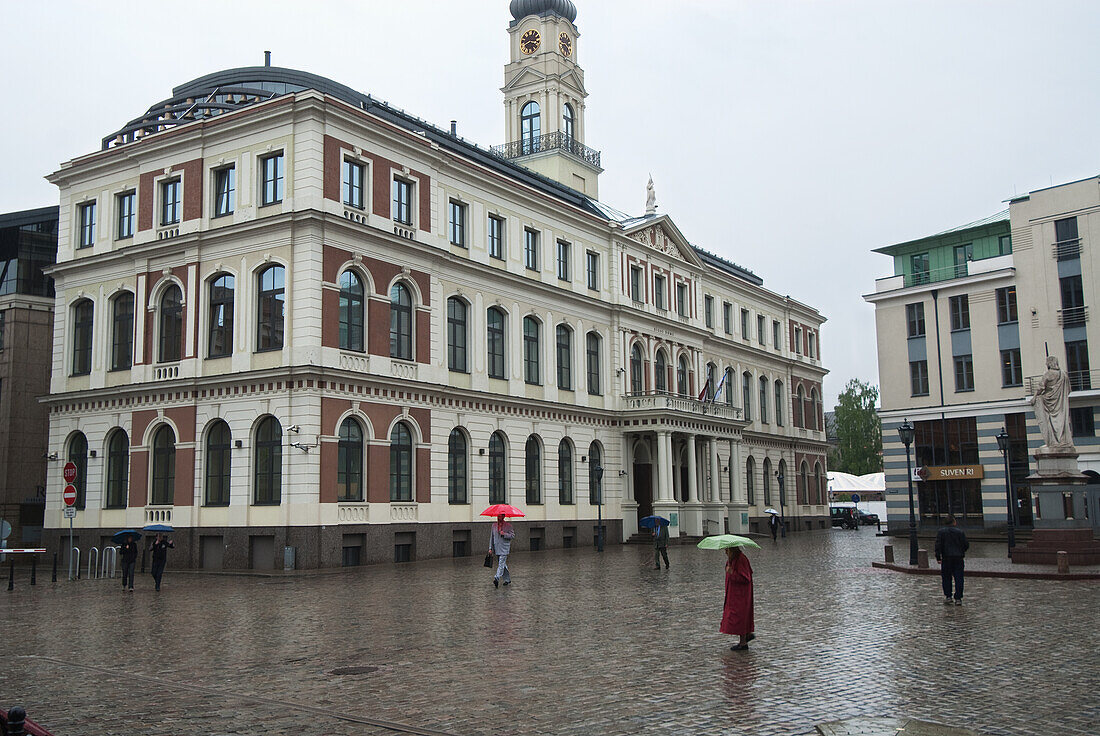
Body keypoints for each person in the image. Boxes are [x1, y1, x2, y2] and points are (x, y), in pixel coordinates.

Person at [721, 547, 755, 650]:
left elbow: (745, 578)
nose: (725, 552)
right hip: (734, 594)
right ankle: (747, 635)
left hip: (741, 595)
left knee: (740, 617)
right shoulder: (733, 559)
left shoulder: (741, 559)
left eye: (727, 550)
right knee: (738, 617)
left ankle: (743, 642)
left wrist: (732, 573)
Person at [934, 514, 969, 605]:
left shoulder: (941, 532)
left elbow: (938, 545)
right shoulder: (960, 532)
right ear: (954, 522)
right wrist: (961, 551)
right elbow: (966, 544)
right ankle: (958, 598)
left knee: (946, 578)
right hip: (958, 557)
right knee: (959, 578)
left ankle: (948, 596)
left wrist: (938, 557)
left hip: (946, 558)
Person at [488, 514, 515, 588]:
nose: (498, 518)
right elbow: (492, 537)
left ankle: (496, 578)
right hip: (497, 548)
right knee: (503, 564)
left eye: (500, 516)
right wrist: (490, 548)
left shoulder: (508, 526)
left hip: (504, 548)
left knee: (501, 563)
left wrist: (504, 534)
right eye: (498, 516)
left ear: (503, 517)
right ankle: (507, 579)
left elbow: (512, 535)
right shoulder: (494, 525)